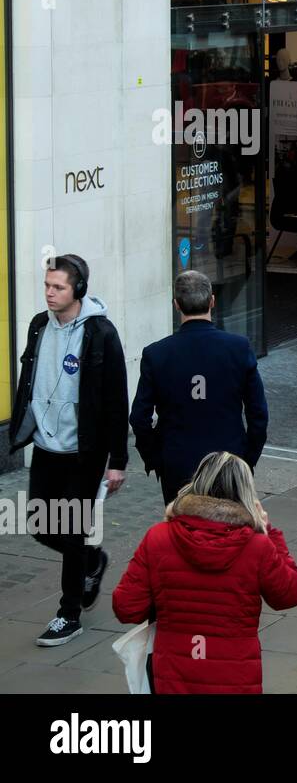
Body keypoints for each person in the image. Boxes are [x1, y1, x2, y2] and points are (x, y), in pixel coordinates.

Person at [112, 451, 297, 692]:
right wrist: (270, 532)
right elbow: (289, 596)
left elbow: (126, 608)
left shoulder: (159, 537)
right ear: (245, 494)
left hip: (173, 676)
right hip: (236, 678)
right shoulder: (257, 546)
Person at [11, 254, 127, 647]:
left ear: (77, 289)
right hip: (45, 446)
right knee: (40, 524)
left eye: (57, 286)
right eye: (46, 285)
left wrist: (117, 461)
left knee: (73, 531)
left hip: (84, 452)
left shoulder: (101, 334)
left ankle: (69, 614)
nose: (49, 293)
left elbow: (115, 399)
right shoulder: (39, 325)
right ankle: (93, 562)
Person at [130, 271, 268, 504]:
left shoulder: (157, 353)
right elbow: (259, 415)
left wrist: (156, 457)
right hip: (228, 462)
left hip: (177, 463)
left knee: (182, 534)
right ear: (212, 301)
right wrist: (247, 459)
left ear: (176, 305)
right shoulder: (238, 348)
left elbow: (139, 418)